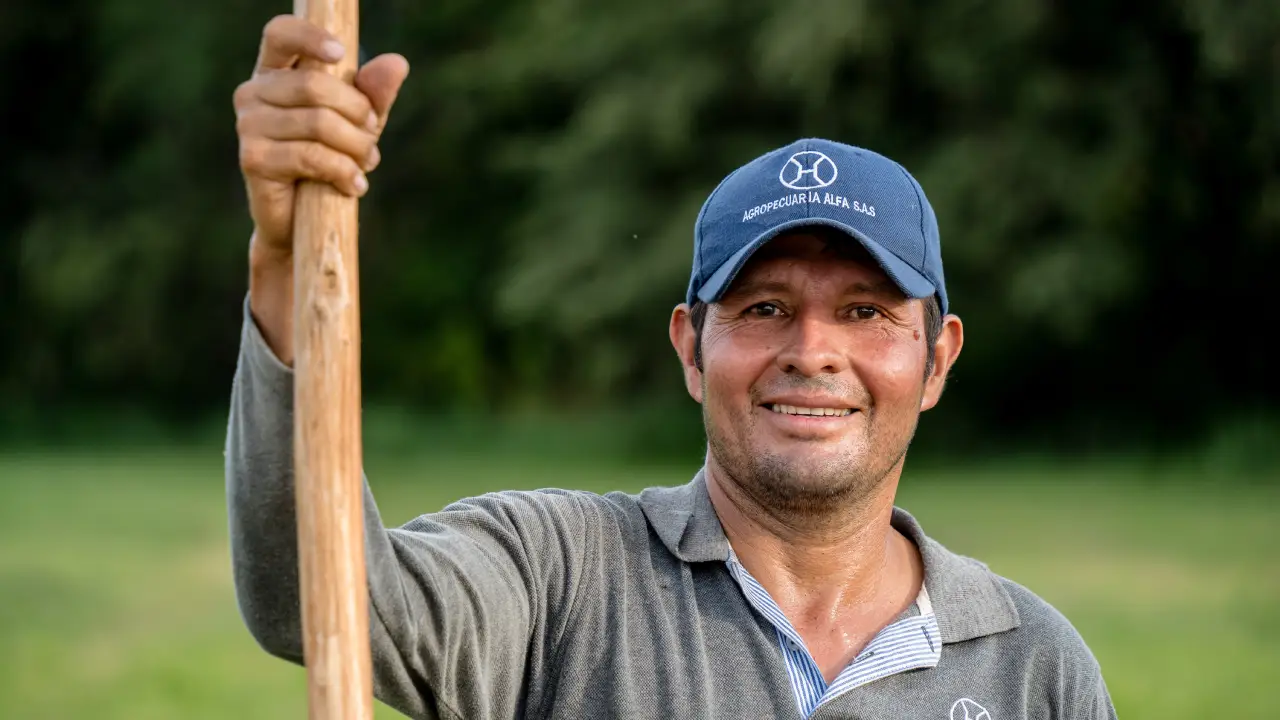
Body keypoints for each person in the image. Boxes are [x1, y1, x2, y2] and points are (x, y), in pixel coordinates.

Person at [227, 15, 1117, 720]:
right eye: (764, 308)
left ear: (937, 360)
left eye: (865, 312)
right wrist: (283, 259)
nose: (812, 351)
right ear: (691, 347)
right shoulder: (559, 580)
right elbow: (317, 595)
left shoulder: (1035, 667)